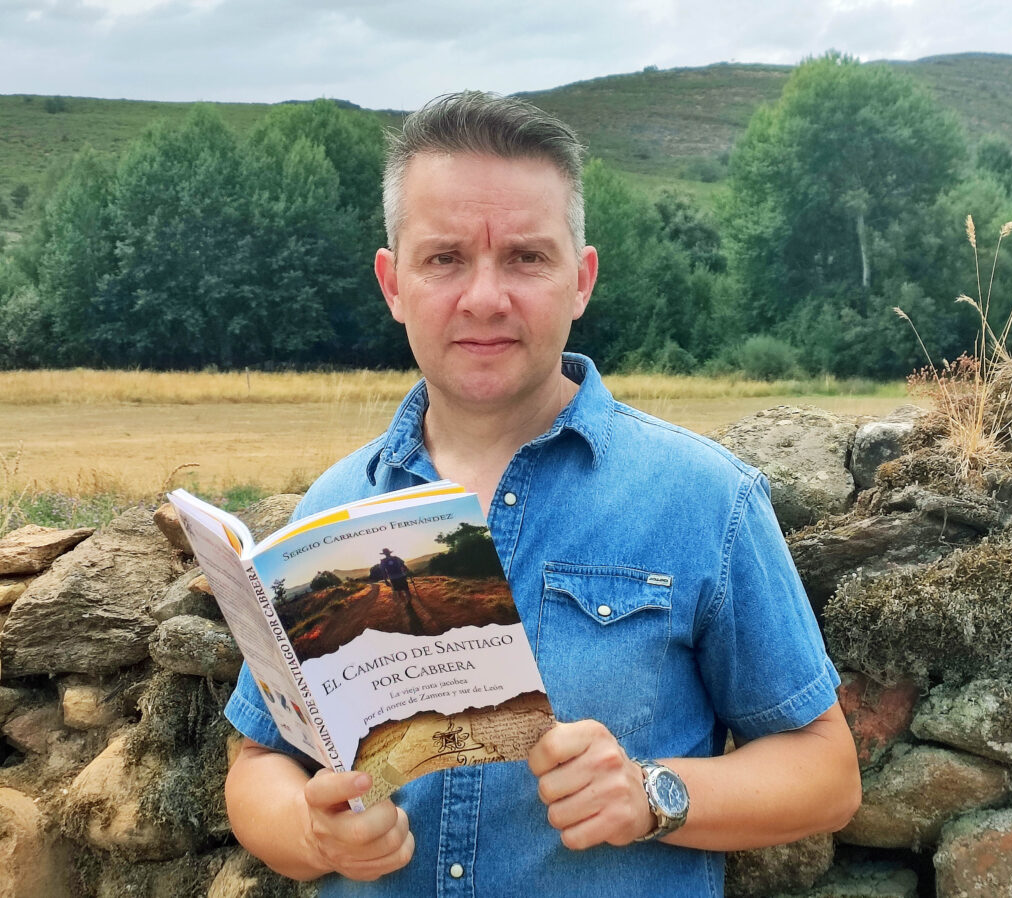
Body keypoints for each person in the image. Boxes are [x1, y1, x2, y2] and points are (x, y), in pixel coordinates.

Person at [223, 91, 861, 897]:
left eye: (526, 257)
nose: (485, 297)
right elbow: (257, 767)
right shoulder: (332, 509)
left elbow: (828, 775)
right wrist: (312, 831)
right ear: (393, 283)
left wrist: (653, 792)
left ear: (581, 279)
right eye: (445, 258)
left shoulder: (704, 498)